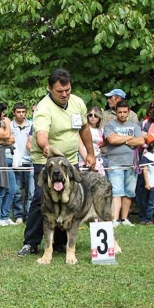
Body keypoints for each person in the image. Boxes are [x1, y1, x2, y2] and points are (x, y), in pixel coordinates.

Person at [18, 68, 95, 257]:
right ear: (50, 89)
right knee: (40, 199)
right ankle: (31, 242)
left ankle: (60, 242)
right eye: (60, 91)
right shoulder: (43, 108)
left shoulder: (77, 103)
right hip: (46, 160)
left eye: (67, 90)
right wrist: (47, 147)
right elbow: (41, 134)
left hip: (70, 160)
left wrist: (90, 153)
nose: (64, 94)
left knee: (70, 199)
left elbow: (84, 129)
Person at [104, 99, 144, 227]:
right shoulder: (110, 125)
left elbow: (141, 141)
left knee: (129, 191)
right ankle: (115, 219)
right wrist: (129, 138)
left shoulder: (135, 126)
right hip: (115, 163)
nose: (122, 114)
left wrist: (121, 139)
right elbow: (111, 140)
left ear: (128, 112)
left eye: (124, 112)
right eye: (120, 112)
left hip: (132, 164)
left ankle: (124, 219)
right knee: (116, 191)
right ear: (116, 112)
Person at [102, 88, 138, 168]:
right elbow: (104, 134)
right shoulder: (105, 114)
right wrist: (127, 136)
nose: (108, 100)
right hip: (107, 155)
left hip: (128, 156)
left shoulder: (132, 115)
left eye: (110, 98)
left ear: (118, 99)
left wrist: (116, 138)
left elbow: (136, 137)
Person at [10, 103, 34, 224]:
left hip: (30, 161)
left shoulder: (31, 125)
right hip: (16, 162)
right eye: (18, 112)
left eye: (23, 112)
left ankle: (29, 215)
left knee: (31, 191)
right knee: (17, 190)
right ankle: (18, 214)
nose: (21, 114)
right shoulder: (9, 126)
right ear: (14, 112)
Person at [78, 106, 105, 175]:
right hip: (84, 160)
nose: (92, 117)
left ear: (99, 117)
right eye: (90, 115)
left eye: (95, 115)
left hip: (98, 160)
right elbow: (80, 146)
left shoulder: (101, 130)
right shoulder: (83, 129)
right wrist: (87, 161)